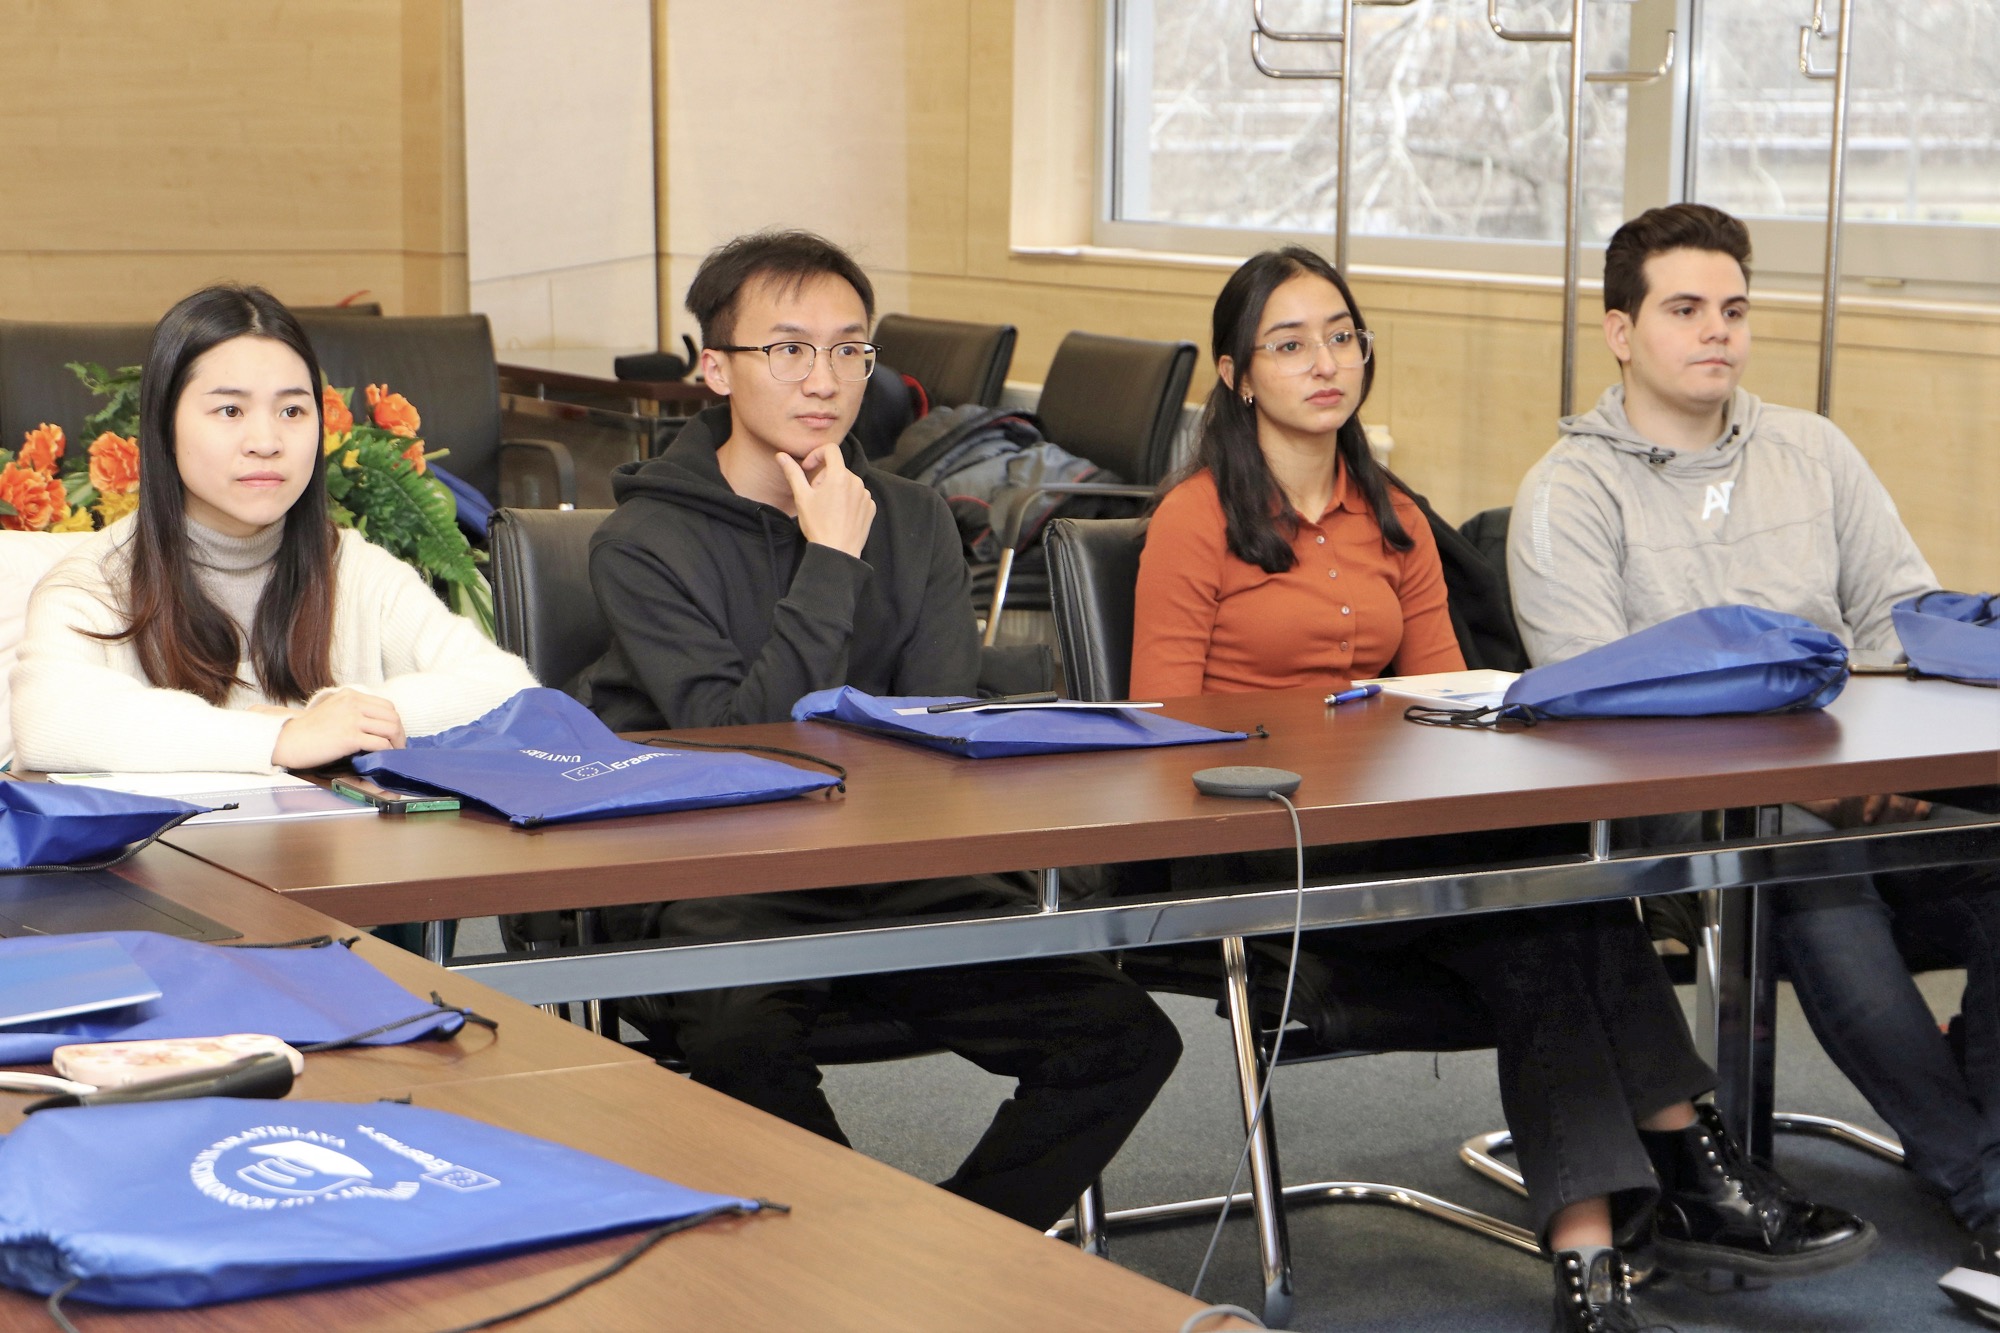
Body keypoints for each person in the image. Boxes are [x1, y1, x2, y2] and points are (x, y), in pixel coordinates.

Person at [1136, 245, 1876, 1331]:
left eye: (1342, 336)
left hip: (1414, 836)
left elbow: (1454, 693)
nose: (1325, 362)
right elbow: (1158, 728)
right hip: (1273, 843)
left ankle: (1592, 1262)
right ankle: (1688, 1160)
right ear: (1236, 373)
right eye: (1288, 345)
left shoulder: (1391, 513)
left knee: (1543, 912)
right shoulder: (1193, 521)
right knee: (1541, 904)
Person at [578, 230, 1181, 1232]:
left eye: (848, 350)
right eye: (787, 349)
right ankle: (861, 1264)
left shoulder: (909, 518)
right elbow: (737, 740)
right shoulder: (642, 540)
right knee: (736, 1037)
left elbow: (929, 735)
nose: (824, 379)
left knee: (1119, 1035)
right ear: (714, 366)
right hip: (721, 878)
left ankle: (948, 1250)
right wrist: (829, 559)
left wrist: (849, 559)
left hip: (890, 866)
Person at [1510, 200, 2000, 1320]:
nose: (1714, 332)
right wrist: (1791, 780)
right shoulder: (1568, 494)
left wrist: (1889, 757)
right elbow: (1595, 709)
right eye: (1683, 309)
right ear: (1620, 331)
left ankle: (1981, 1140)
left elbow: (1899, 623)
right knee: (1811, 871)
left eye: (1731, 309)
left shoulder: (1811, 450)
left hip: (1854, 782)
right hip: (1688, 822)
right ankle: (1980, 1184)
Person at [11, 284, 535, 776]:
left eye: (291, 410)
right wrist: (281, 737)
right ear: (164, 427)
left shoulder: (353, 568)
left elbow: (508, 690)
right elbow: (47, 721)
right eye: (230, 409)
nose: (266, 440)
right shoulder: (94, 582)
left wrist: (346, 715)